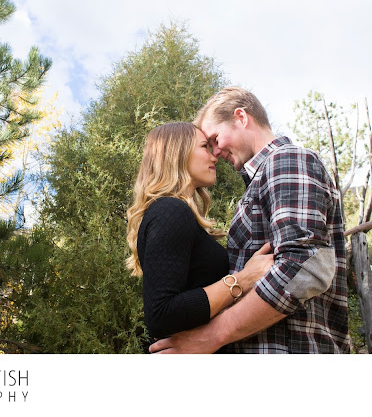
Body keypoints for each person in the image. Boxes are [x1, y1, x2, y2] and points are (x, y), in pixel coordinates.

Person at [149, 87, 350, 353]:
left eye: (215, 139)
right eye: (207, 146)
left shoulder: (285, 160)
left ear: (241, 117)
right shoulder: (264, 178)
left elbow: (304, 268)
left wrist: (211, 337)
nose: (216, 152)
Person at [126, 122, 273, 352]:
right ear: (178, 153)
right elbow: (161, 314)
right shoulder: (170, 211)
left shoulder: (172, 213)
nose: (214, 155)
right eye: (205, 146)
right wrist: (243, 279)